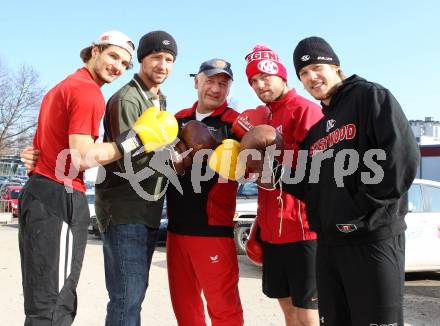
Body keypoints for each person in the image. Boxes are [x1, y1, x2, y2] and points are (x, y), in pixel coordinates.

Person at [282, 36, 419, 325]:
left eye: (317, 67)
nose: (311, 77)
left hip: (372, 239)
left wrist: (358, 211)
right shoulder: (317, 131)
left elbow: (401, 159)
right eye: (303, 74)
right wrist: (272, 174)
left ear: (336, 67)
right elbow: (310, 185)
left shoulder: (371, 97)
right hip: (330, 246)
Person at [18, 31, 135, 326]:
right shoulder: (87, 92)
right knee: (56, 304)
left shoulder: (61, 87)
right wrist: (133, 142)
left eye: (124, 63)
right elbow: (82, 157)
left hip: (39, 191)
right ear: (94, 51)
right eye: (113, 56)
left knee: (40, 301)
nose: (118, 67)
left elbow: (40, 150)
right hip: (60, 195)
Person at [94, 30, 178, 326]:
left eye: (169, 59)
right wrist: (177, 158)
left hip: (147, 210)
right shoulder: (127, 98)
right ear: (142, 59)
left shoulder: (158, 101)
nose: (163, 65)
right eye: (156, 57)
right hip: (124, 209)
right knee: (126, 298)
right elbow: (128, 156)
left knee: (134, 295)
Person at [241, 45, 322, 326]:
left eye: (265, 76)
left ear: (282, 76)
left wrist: (273, 157)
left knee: (310, 315)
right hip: (273, 230)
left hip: (304, 230)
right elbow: (255, 174)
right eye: (253, 80)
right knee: (288, 311)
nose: (259, 84)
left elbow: (319, 166)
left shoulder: (306, 110)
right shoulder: (264, 117)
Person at [165, 58, 244, 326]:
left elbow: (257, 168)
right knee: (185, 309)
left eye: (223, 83)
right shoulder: (176, 120)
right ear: (196, 81)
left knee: (224, 310)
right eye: (210, 81)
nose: (216, 89)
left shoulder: (235, 124)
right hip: (176, 229)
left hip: (212, 230)